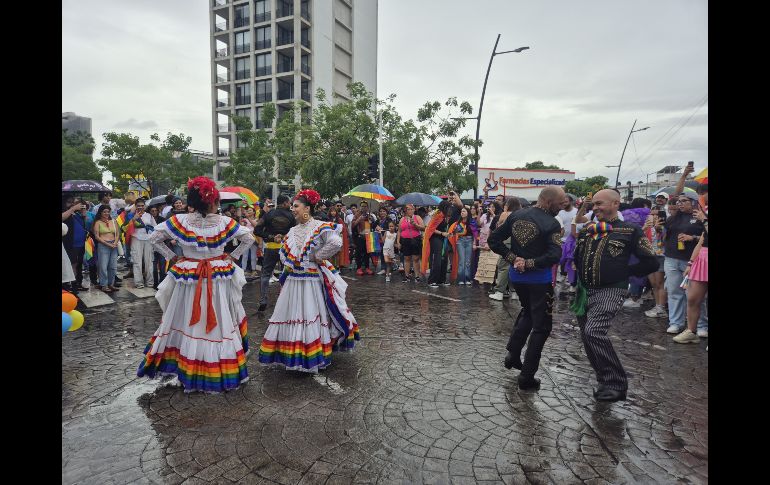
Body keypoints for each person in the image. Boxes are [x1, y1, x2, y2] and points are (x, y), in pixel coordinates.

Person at [137, 177, 254, 392]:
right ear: (211, 202)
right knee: (220, 317)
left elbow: (154, 238)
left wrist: (171, 257)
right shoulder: (224, 222)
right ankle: (216, 368)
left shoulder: (180, 221)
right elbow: (249, 239)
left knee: (185, 317)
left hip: (189, 275)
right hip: (216, 276)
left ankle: (186, 364)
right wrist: (233, 257)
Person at [258, 189, 361, 372]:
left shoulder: (319, 226)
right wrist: (290, 260)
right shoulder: (292, 230)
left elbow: (336, 242)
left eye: (296, 206)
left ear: (307, 208)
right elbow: (283, 253)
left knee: (310, 315)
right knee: (294, 315)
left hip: (312, 280)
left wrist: (317, 256)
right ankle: (296, 354)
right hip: (294, 280)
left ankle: (309, 354)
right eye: (292, 207)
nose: (293, 210)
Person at [572, 189, 658, 402]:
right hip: (584, 290)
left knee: (594, 331)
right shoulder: (587, 231)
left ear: (616, 204)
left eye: (600, 203)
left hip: (612, 289)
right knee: (587, 337)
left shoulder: (631, 231)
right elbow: (577, 256)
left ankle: (617, 383)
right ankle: (604, 380)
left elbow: (651, 262)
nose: (596, 208)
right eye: (594, 204)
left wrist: (625, 273)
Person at [488, 187, 565, 391]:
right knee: (542, 326)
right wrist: (526, 262)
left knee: (528, 313)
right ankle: (527, 375)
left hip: (517, 277)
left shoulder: (517, 215)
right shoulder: (552, 223)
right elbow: (555, 255)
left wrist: (514, 259)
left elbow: (494, 240)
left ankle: (513, 354)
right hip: (539, 279)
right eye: (560, 203)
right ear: (548, 202)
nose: (562, 207)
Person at [662, 166, 708, 336]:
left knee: (696, 297)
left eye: (684, 201)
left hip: (693, 261)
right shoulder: (674, 216)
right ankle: (676, 323)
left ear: (694, 202)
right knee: (674, 293)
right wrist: (684, 175)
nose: (679, 204)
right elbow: (676, 194)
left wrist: (692, 238)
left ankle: (702, 326)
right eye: (678, 202)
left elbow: (706, 238)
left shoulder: (700, 216)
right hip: (672, 259)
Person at [673, 193, 709, 344]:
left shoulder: (703, 217)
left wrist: (704, 220)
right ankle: (691, 331)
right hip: (702, 258)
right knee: (693, 298)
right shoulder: (705, 213)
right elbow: (702, 240)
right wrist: (690, 263)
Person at [254, 195, 295, 312]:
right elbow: (295, 233)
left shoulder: (269, 214)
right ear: (285, 203)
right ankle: (287, 300)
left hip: (271, 248)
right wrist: (283, 237)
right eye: (289, 203)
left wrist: (271, 237)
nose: (290, 205)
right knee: (287, 274)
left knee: (265, 275)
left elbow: (256, 230)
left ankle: (263, 301)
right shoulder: (291, 216)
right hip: (286, 249)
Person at [489, 199, 521, 300]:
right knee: (514, 266)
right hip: (517, 242)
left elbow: (499, 226)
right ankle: (515, 292)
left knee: (503, 267)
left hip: (507, 241)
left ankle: (499, 291)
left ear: (508, 205)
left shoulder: (505, 214)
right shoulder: (520, 214)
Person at [125, 198, 156, 289]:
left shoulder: (149, 216)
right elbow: (125, 228)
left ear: (144, 206)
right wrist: (133, 220)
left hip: (148, 239)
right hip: (136, 238)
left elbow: (155, 227)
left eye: (142, 205)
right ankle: (139, 282)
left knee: (149, 262)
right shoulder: (131, 215)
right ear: (135, 206)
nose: (140, 207)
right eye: (138, 206)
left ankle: (150, 282)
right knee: (137, 261)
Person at [93, 204, 119, 293]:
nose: (106, 213)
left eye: (108, 212)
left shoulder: (113, 221)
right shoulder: (98, 222)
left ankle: (111, 284)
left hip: (114, 245)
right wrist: (107, 244)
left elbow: (118, 233)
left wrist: (115, 243)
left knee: (113, 266)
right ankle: (103, 285)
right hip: (103, 245)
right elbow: (97, 236)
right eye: (104, 212)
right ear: (100, 213)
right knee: (103, 266)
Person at [396, 204, 424, 283]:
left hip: (415, 239)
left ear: (414, 210)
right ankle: (407, 276)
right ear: (406, 210)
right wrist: (398, 242)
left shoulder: (417, 217)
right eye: (408, 209)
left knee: (416, 259)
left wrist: (415, 224)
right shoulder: (402, 219)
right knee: (406, 258)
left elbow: (423, 228)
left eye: (411, 209)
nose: (409, 211)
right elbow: (399, 231)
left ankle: (417, 276)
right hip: (405, 240)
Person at [449, 207, 477, 285]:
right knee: (461, 261)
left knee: (468, 261)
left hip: (469, 240)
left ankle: (467, 279)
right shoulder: (458, 222)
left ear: (468, 212)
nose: (462, 213)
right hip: (460, 241)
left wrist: (474, 243)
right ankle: (461, 279)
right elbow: (454, 233)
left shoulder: (472, 222)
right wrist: (454, 231)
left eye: (464, 211)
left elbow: (475, 234)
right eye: (461, 211)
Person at [352, 201, 378, 275]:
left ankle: (367, 268)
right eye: (362, 206)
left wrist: (372, 221)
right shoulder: (357, 215)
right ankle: (359, 268)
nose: (364, 207)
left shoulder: (370, 215)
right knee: (359, 253)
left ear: (368, 207)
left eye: (365, 206)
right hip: (360, 237)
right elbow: (353, 225)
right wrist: (359, 219)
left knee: (368, 253)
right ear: (360, 207)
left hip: (368, 236)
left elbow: (373, 226)